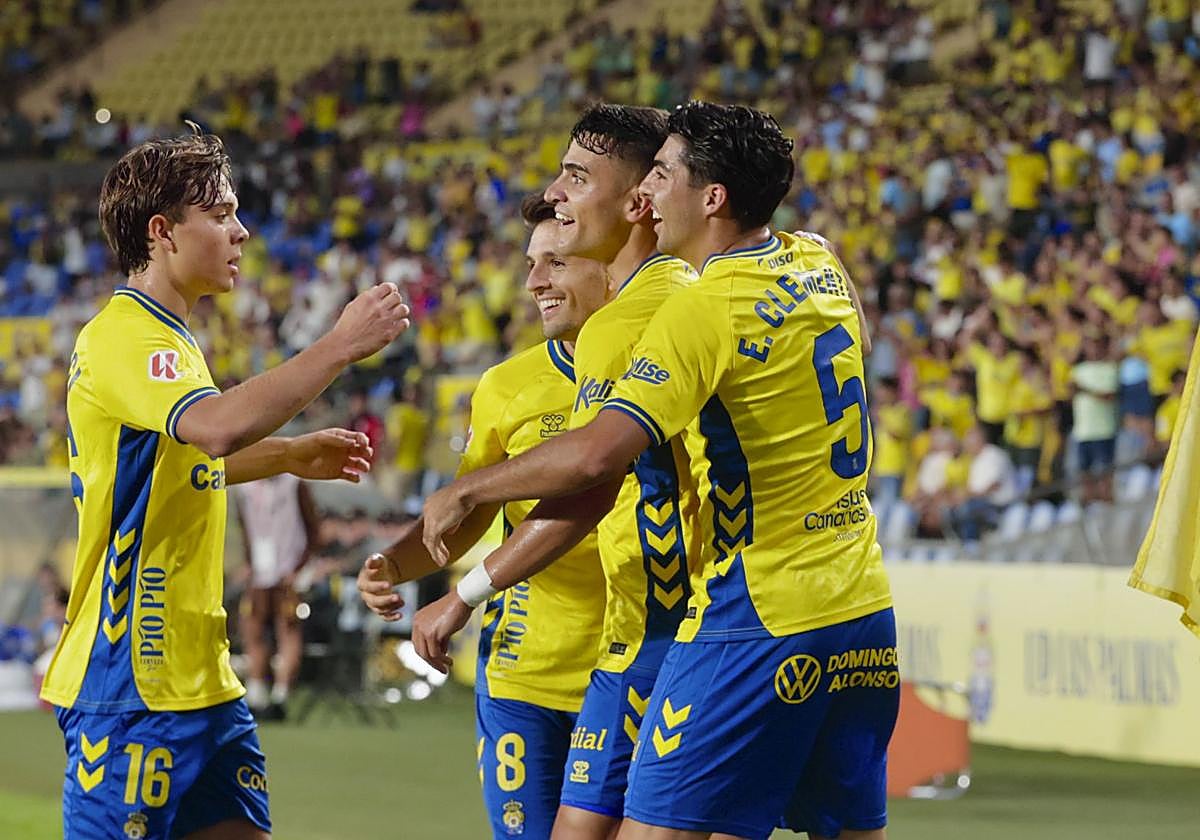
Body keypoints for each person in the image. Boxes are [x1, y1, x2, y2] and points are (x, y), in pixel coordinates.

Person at [419, 101, 896, 840]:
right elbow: (856, 340)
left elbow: (596, 458)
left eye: (663, 176)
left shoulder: (694, 309)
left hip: (751, 612)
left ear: (711, 198)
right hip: (863, 605)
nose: (649, 194)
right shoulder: (815, 261)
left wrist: (468, 488)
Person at [39, 125, 409, 840]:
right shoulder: (122, 336)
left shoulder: (173, 340)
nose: (241, 231)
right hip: (131, 685)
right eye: (221, 214)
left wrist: (287, 455)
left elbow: (183, 467)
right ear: (163, 232)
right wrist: (339, 346)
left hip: (203, 682)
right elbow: (211, 429)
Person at [411, 103, 704, 840]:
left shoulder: (640, 318)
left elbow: (592, 471)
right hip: (596, 651)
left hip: (670, 633)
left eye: (576, 177)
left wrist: (466, 554)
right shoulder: (699, 294)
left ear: (638, 201)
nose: (559, 191)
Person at [358, 193, 610, 840]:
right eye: (531, 264)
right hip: (525, 673)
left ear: (611, 261)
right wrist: (396, 563)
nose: (534, 283)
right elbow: (466, 509)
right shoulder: (508, 386)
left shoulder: (663, 366)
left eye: (555, 262)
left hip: (634, 662)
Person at [234, 472, 321, 721]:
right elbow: (245, 528)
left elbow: (313, 529)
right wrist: (249, 563)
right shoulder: (246, 488)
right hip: (260, 571)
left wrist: (299, 569)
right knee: (252, 629)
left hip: (287, 570)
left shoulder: (293, 483)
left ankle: (280, 695)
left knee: (288, 630)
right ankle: (256, 692)